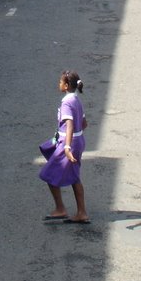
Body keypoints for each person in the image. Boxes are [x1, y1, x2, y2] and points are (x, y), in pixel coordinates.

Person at [39, 70, 89, 224]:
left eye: (60, 82)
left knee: (49, 174)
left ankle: (60, 208)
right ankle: (82, 213)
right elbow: (84, 123)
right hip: (78, 141)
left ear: (66, 85)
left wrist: (67, 146)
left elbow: (69, 125)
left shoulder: (67, 102)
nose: (58, 84)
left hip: (69, 143)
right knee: (75, 176)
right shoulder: (76, 100)